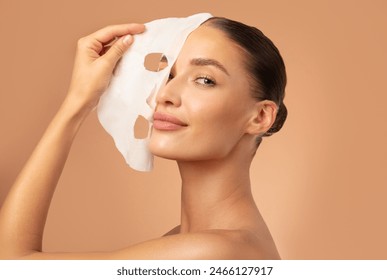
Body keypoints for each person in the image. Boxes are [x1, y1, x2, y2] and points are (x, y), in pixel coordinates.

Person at [0, 16, 287, 259]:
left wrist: (76, 104)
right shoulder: (188, 240)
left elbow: (11, 264)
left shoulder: (216, 251)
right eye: (169, 75)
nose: (164, 95)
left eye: (204, 79)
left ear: (260, 117)